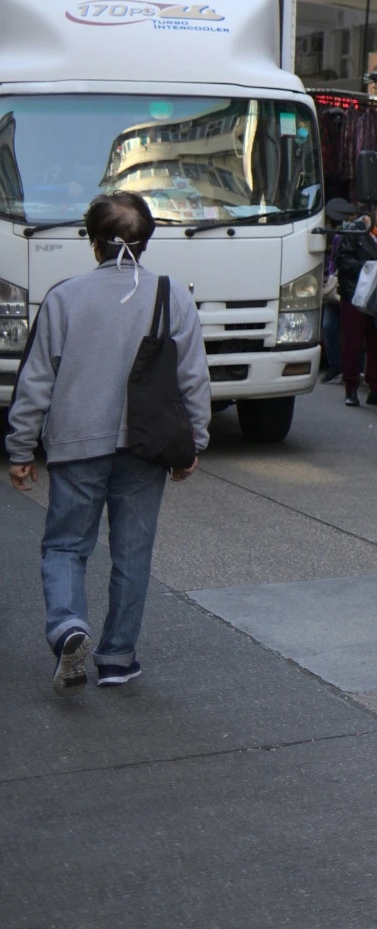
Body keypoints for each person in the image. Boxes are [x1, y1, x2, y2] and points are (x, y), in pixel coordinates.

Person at [8, 193, 211, 692]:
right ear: (146, 242)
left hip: (77, 443)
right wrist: (195, 442)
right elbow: (193, 378)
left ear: (93, 241)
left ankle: (68, 626)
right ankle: (117, 658)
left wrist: (19, 449)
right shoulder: (172, 296)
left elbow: (36, 381)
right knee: (132, 553)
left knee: (65, 545)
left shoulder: (64, 297)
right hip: (145, 446)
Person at [334, 207, 377, 409]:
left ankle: (374, 387)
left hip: (374, 296)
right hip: (354, 293)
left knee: (376, 344)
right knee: (353, 344)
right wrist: (368, 267)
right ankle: (351, 387)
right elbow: (344, 261)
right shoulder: (355, 232)